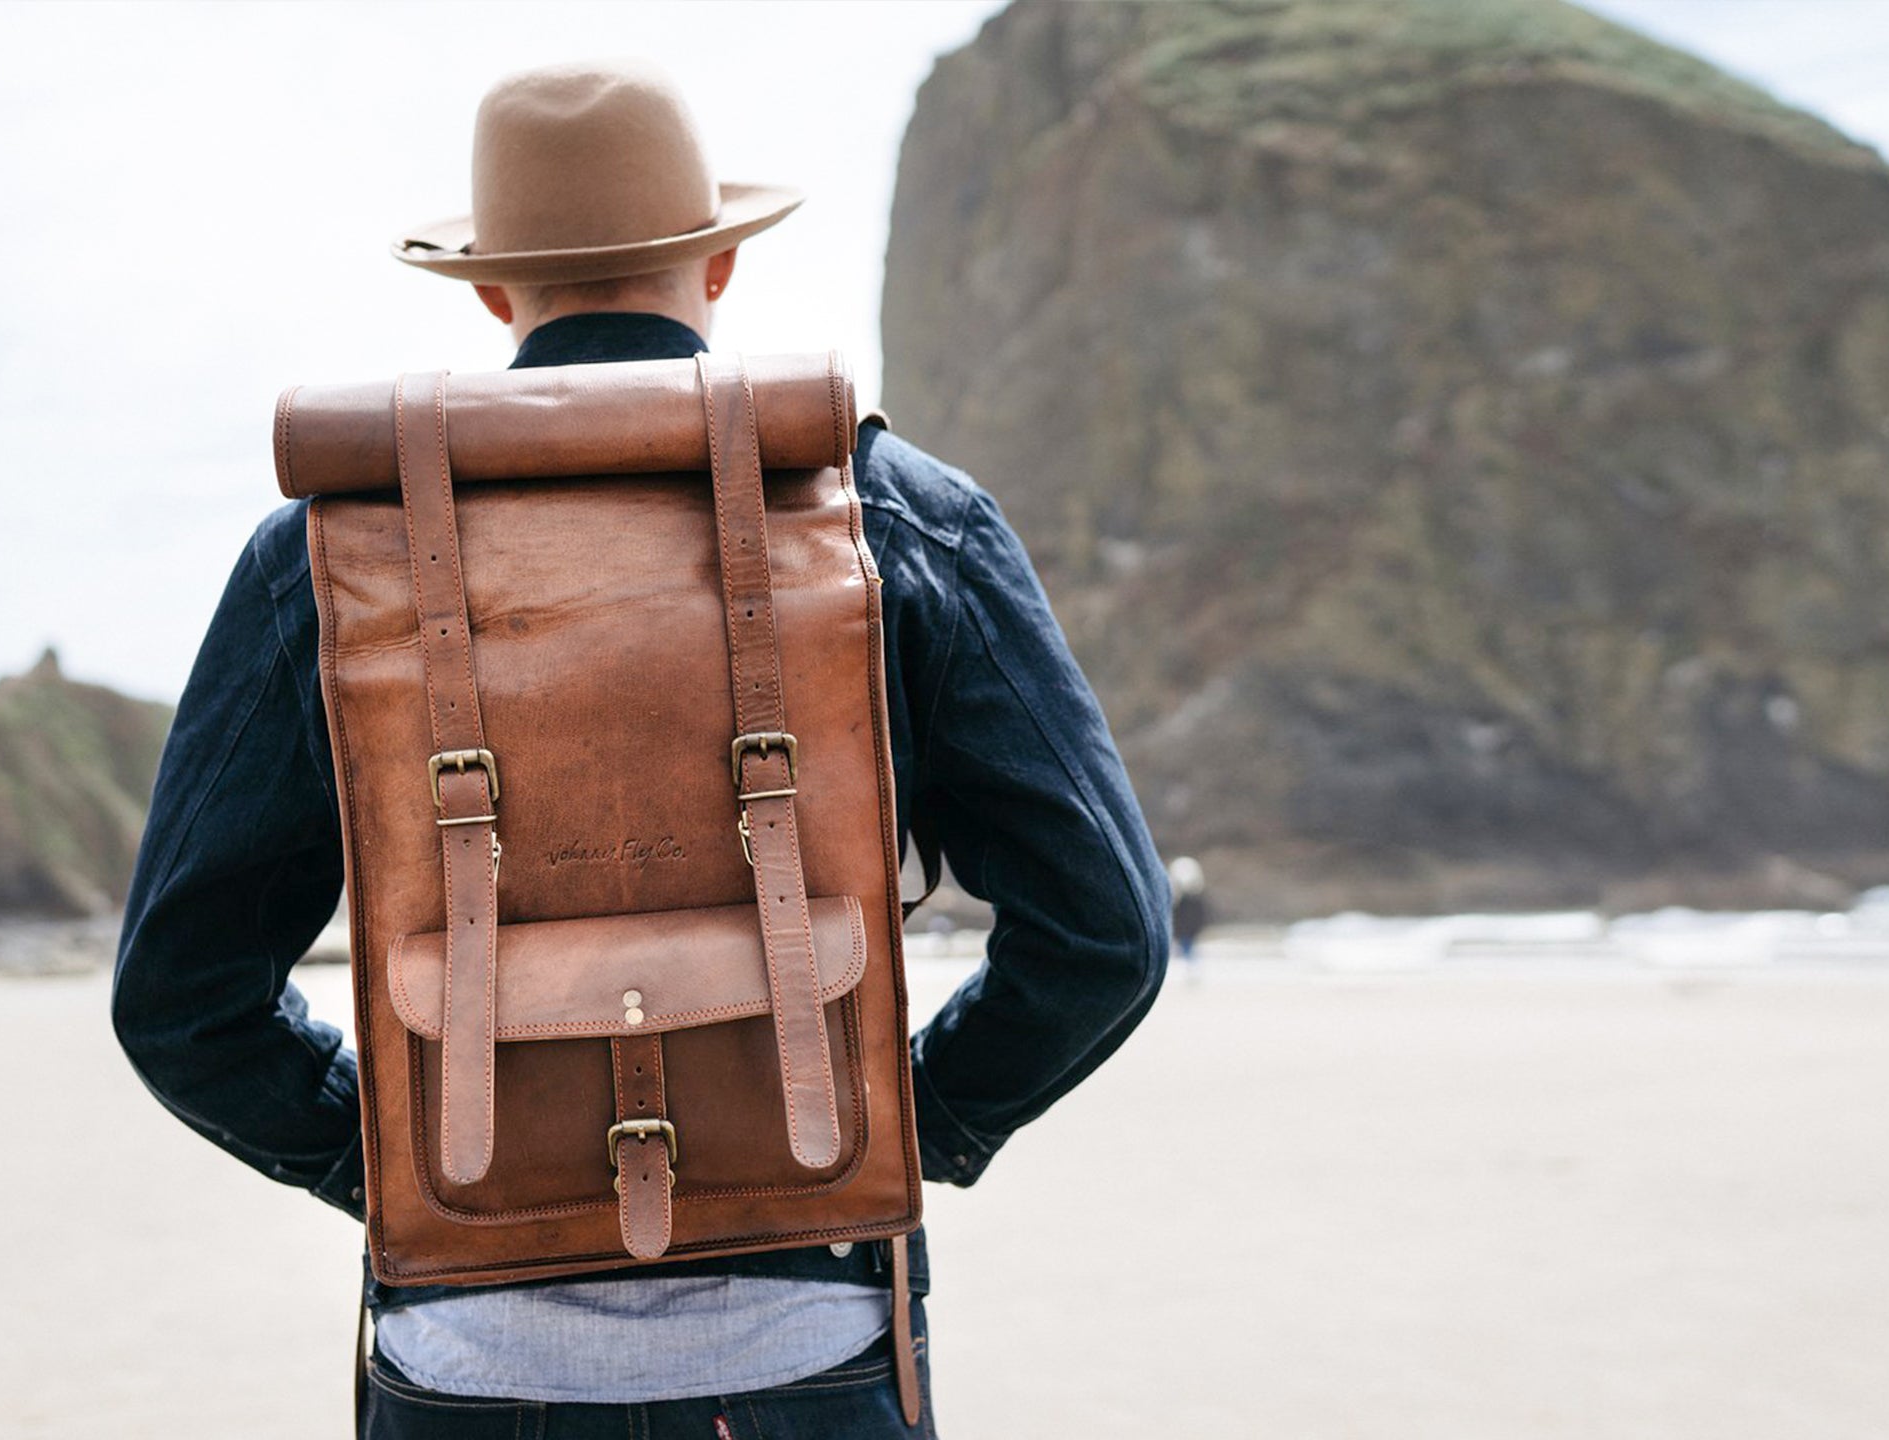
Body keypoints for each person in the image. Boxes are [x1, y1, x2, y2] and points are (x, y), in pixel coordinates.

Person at [111, 60, 1170, 1439]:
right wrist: (917, 1120)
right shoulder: (897, 514)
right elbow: (1105, 935)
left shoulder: (322, 556)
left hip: (465, 1368)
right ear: (720, 265)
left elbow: (179, 1000)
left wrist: (395, 1161)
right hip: (811, 1345)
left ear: (491, 292)